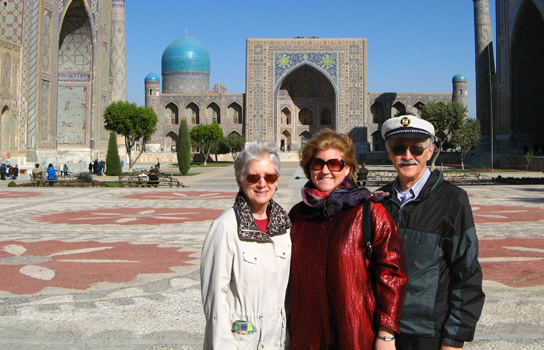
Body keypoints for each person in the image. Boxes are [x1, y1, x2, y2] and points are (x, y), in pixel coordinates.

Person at [289, 129, 407, 349]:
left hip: (355, 333)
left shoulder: (370, 212)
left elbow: (392, 275)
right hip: (308, 336)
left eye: (334, 164)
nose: (325, 171)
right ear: (308, 168)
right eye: (317, 164)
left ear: (348, 168)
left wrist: (386, 332)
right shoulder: (299, 216)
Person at [378, 115, 484, 350]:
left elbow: (466, 273)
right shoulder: (378, 202)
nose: (407, 156)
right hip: (383, 332)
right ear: (388, 153)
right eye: (399, 149)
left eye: (416, 148)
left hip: (428, 334)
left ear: (430, 151)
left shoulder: (452, 200)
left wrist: (454, 339)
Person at [200, 142, 291, 349]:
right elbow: (215, 303)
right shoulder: (225, 227)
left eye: (269, 177)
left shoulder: (283, 229)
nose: (262, 184)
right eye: (253, 177)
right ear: (240, 180)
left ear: (277, 181)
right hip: (241, 342)